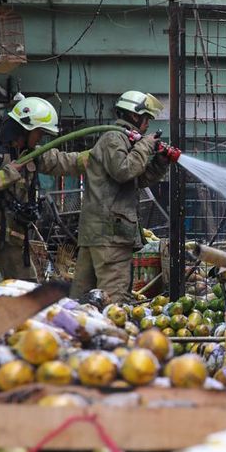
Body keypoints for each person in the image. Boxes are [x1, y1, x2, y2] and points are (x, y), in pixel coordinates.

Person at [0, 97, 90, 279]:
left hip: (12, 235)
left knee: (26, 286)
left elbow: (66, 162)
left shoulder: (33, 155)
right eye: (39, 132)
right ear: (25, 129)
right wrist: (9, 173)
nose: (41, 138)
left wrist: (99, 155)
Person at [71, 90, 175, 303]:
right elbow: (124, 170)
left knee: (81, 302)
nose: (148, 124)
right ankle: (110, 336)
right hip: (111, 236)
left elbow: (137, 179)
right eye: (147, 118)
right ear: (135, 116)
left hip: (101, 234)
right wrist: (146, 145)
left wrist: (160, 162)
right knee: (114, 301)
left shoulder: (123, 141)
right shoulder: (114, 137)